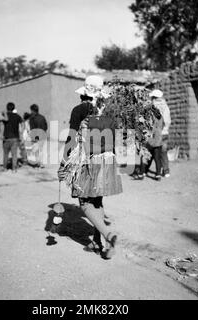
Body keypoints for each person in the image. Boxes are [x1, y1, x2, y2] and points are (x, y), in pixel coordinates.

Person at [58, 75, 122, 259]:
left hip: (87, 160)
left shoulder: (79, 109)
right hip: (108, 158)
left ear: (83, 94)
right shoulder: (108, 112)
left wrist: (64, 162)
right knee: (97, 201)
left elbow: (71, 137)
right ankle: (97, 243)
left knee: (85, 203)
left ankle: (107, 236)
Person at [149, 89, 171, 177]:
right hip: (165, 132)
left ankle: (152, 170)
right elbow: (168, 120)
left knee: (155, 152)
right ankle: (166, 171)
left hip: (157, 133)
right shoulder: (165, 106)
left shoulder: (154, 106)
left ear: (154, 97)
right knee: (164, 152)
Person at [138, 111, 164, 181]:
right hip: (158, 141)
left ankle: (141, 173)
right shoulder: (160, 117)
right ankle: (158, 174)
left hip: (149, 141)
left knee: (144, 157)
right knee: (157, 159)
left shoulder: (147, 117)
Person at [2, 102, 24, 172]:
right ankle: (14, 169)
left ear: (7, 108)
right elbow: (22, 123)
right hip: (15, 138)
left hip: (6, 137)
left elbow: (0, 124)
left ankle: (5, 168)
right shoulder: (17, 116)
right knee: (14, 154)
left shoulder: (5, 116)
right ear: (14, 108)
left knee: (5, 154)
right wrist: (21, 132)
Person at [29, 104, 48, 168]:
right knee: (41, 151)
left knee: (36, 151)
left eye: (31, 110)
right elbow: (46, 126)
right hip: (43, 136)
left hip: (36, 138)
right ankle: (41, 163)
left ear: (33, 110)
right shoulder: (42, 117)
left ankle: (38, 163)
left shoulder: (32, 118)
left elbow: (33, 129)